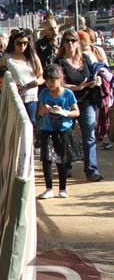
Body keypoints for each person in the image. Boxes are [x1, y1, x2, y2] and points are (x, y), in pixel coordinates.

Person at [56, 29, 104, 181]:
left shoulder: (85, 59)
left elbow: (92, 76)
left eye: (73, 40)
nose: (70, 44)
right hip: (67, 103)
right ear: (63, 44)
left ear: (78, 43)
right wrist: (76, 88)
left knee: (89, 134)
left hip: (86, 101)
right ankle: (66, 166)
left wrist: (96, 82)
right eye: (67, 41)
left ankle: (91, 170)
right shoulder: (59, 62)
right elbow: (58, 84)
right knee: (66, 135)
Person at [37, 65, 80, 199]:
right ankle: (48, 188)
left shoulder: (68, 94)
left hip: (63, 130)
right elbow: (39, 112)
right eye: (47, 81)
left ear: (60, 79)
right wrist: (45, 109)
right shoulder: (44, 93)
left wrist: (64, 112)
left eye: (53, 81)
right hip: (47, 129)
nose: (50, 84)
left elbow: (76, 112)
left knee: (62, 159)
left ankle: (62, 188)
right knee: (47, 159)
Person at [0, 29, 44, 124]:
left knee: (30, 124)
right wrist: (9, 87)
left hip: (31, 97)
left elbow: (41, 77)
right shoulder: (6, 58)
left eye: (25, 43)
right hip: (14, 98)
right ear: (13, 43)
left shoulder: (33, 57)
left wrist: (35, 83)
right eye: (19, 43)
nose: (22, 46)